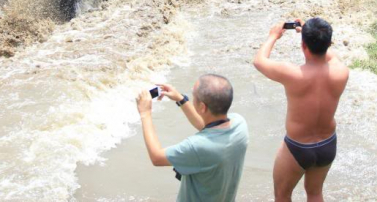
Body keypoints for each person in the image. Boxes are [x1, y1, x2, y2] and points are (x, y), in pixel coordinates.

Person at [253, 18, 349, 202]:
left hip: (298, 146)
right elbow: (329, 53)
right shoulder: (341, 70)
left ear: (303, 45)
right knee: (314, 193)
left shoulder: (293, 74)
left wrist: (273, 35)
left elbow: (259, 61)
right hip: (327, 144)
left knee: (282, 195)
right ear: (328, 43)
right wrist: (314, 33)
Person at [135, 74, 249, 202]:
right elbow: (206, 125)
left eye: (194, 95)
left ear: (202, 107)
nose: (192, 97)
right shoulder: (240, 124)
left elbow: (156, 157)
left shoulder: (198, 146)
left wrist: (145, 113)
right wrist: (181, 99)